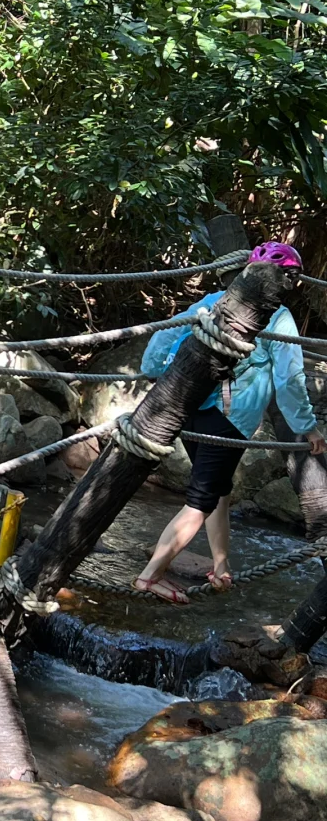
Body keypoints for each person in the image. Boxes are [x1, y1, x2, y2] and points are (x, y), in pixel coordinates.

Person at [132, 241, 327, 604]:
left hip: (190, 409)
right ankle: (150, 576)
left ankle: (220, 565)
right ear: (288, 281)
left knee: (217, 491)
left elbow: (163, 339)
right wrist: (307, 426)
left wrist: (154, 373)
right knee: (200, 501)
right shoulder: (279, 317)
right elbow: (289, 379)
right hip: (230, 418)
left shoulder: (214, 300)